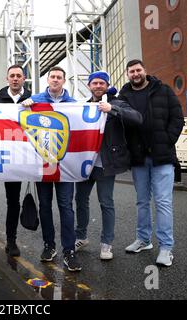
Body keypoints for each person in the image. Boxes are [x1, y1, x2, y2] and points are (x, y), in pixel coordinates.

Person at [119, 59, 184, 267]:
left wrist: (166, 140)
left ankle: (166, 247)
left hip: (162, 156)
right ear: (128, 74)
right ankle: (144, 240)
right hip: (138, 158)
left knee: (163, 202)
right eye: (131, 71)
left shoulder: (163, 90)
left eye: (138, 70)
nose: (135, 74)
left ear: (145, 71)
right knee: (142, 201)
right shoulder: (124, 95)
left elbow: (177, 118)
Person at [74, 71, 142, 260]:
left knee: (106, 203)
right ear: (89, 86)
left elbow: (136, 118)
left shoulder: (117, 102)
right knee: (80, 200)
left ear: (106, 85)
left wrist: (111, 108)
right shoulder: (84, 106)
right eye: (94, 83)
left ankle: (106, 244)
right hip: (85, 164)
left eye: (101, 83)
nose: (97, 86)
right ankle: (81, 237)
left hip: (105, 164)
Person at [22, 66, 81, 272]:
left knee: (66, 206)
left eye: (59, 77)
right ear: (48, 80)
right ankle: (49, 245)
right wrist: (25, 105)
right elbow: (22, 121)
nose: (55, 80)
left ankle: (69, 250)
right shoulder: (36, 100)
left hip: (66, 165)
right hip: (43, 164)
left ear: (64, 81)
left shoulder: (73, 104)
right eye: (52, 77)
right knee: (45, 206)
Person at [0, 64, 32, 257]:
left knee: (13, 199)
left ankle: (11, 240)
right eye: (12, 76)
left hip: (17, 157)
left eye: (19, 75)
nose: (15, 79)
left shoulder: (32, 100)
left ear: (24, 78)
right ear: (7, 79)